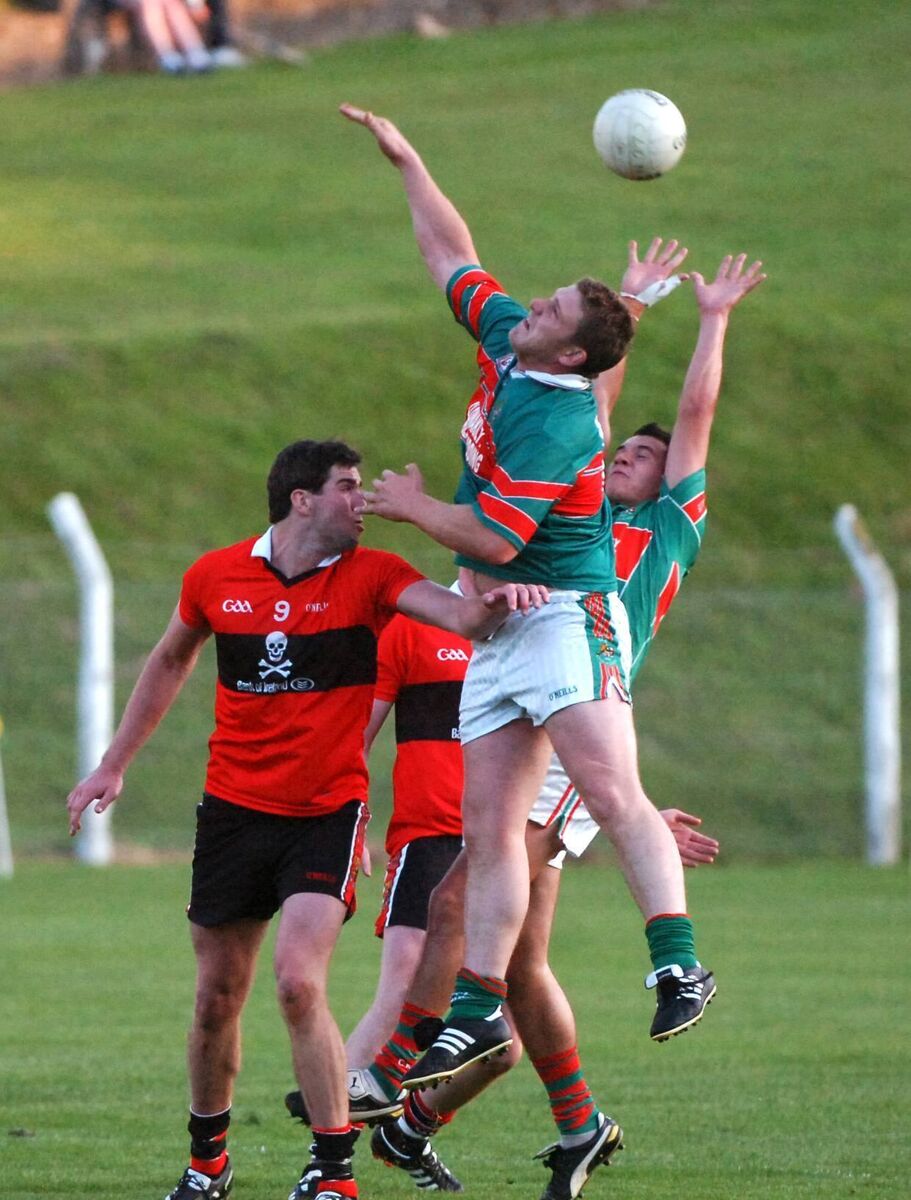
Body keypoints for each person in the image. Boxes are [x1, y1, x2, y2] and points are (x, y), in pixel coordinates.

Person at [65, 439, 546, 1200]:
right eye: (348, 487)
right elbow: (168, 661)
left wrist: (502, 599)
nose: (362, 500)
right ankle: (208, 1163)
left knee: (296, 983)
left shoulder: (376, 574)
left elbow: (458, 616)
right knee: (217, 995)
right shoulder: (214, 576)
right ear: (301, 499)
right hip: (231, 811)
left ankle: (332, 1171)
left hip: (326, 811)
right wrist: (113, 762)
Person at [341, 104, 709, 1075]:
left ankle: (676, 962)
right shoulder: (514, 339)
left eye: (546, 312)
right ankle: (472, 1005)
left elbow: (494, 534)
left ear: (571, 358)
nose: (525, 309)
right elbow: (447, 254)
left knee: (607, 787)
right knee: (490, 828)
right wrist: (409, 159)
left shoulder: (562, 425)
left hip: (564, 619)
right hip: (499, 633)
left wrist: (416, 506)